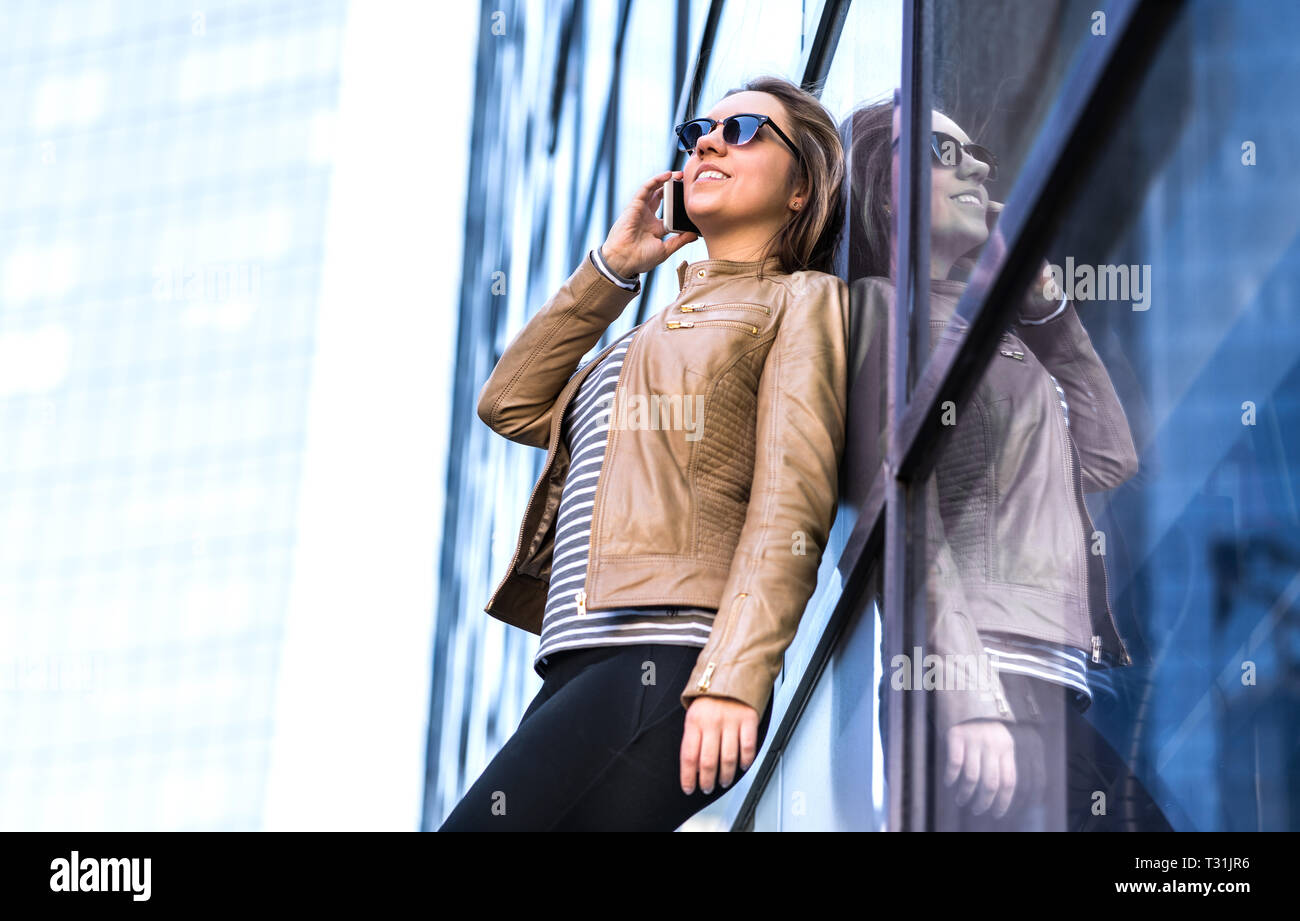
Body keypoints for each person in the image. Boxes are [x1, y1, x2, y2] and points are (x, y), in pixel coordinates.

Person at [440, 75, 850, 831]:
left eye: (746, 129)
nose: (708, 143)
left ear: (800, 189)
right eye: (699, 131)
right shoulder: (635, 342)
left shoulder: (799, 301)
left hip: (668, 656)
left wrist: (734, 675)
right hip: (578, 662)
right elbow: (510, 402)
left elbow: (794, 498)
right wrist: (614, 268)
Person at [842, 96, 1174, 831]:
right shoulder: (882, 310)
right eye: (943, 151)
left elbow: (1110, 457)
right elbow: (900, 511)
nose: (980, 167)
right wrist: (966, 693)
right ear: (880, 185)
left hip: (1045, 687)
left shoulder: (991, 334)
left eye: (976, 153)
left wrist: (1049, 315)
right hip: (989, 689)